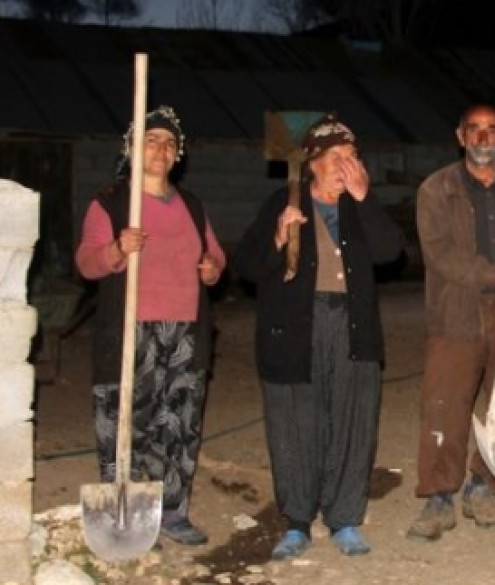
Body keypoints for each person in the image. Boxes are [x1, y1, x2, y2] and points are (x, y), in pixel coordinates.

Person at [235, 115, 404, 560]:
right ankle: (296, 523)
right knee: (294, 423)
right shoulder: (283, 201)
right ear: (312, 163)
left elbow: (390, 252)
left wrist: (366, 200)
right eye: (336, 158)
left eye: (352, 157)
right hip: (294, 328)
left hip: (353, 326)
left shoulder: (359, 205)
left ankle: (345, 519)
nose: (346, 166)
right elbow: (247, 267)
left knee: (352, 422)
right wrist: (276, 238)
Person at [75, 105, 225, 546]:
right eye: (151, 141)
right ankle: (127, 522)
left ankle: (173, 512)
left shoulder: (192, 206)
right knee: (127, 422)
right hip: (131, 331)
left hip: (184, 332)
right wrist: (117, 250)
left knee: (178, 423)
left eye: (169, 143)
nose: (161, 149)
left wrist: (212, 269)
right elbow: (86, 262)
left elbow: (215, 256)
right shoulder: (111, 203)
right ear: (132, 149)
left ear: (178, 155)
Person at [407, 104, 495, 541]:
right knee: (444, 401)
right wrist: (492, 276)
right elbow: (439, 252)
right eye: (474, 130)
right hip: (456, 307)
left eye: (492, 130)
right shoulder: (436, 189)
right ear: (460, 136)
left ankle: (482, 486)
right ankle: (439, 495)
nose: (483, 138)